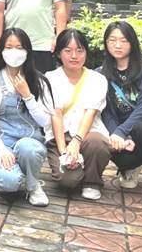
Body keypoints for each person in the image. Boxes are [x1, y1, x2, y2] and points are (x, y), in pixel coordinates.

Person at [0, 28, 53, 206]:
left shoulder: (39, 81)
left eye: (19, 47)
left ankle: (33, 185)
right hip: (2, 140)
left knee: (28, 148)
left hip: (30, 140)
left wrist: (28, 96)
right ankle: (10, 177)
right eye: (8, 47)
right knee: (9, 183)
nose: (14, 52)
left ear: (28, 51)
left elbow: (45, 121)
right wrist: (1, 149)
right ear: (1, 50)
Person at [98, 21, 142, 209]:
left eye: (123, 40)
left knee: (141, 130)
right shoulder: (101, 74)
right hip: (120, 133)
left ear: (132, 43)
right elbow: (105, 111)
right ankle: (130, 167)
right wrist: (116, 134)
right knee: (115, 151)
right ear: (106, 43)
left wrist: (122, 131)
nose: (117, 45)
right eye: (112, 40)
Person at [46, 28, 111, 200]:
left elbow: (91, 113)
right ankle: (78, 170)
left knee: (98, 143)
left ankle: (92, 181)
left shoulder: (98, 79)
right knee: (68, 181)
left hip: (88, 134)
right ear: (59, 53)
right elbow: (55, 115)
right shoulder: (50, 78)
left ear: (86, 53)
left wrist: (76, 142)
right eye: (68, 51)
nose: (74, 56)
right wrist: (64, 152)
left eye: (80, 50)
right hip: (60, 136)